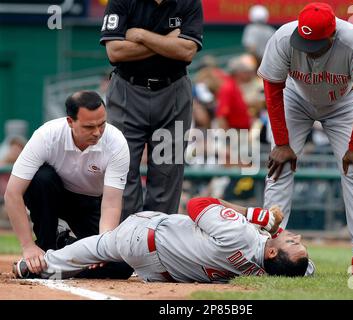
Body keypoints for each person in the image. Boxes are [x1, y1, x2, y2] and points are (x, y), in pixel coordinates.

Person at [258, 3, 353, 253]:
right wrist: (282, 143)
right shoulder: (283, 37)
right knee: (279, 165)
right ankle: (269, 246)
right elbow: (273, 89)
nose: (309, 50)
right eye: (305, 42)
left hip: (342, 103)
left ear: (332, 34)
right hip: (296, 99)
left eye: (316, 43)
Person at [13, 197, 312, 282]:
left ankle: (38, 265)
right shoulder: (267, 273)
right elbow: (303, 269)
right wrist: (280, 241)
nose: (295, 237)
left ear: (273, 253)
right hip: (157, 272)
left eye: (293, 243)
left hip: (144, 237)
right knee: (99, 251)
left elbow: (198, 204)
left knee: (97, 245)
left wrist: (258, 217)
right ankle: (47, 266)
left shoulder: (242, 233)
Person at [4, 91, 133, 278]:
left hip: (91, 203)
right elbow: (12, 193)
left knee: (121, 266)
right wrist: (28, 246)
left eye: (102, 124)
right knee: (41, 178)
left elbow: (112, 203)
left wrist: (101, 247)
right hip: (53, 196)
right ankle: (44, 247)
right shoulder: (46, 136)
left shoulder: (117, 142)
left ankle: (54, 255)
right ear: (70, 122)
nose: (97, 132)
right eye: (89, 127)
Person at [100, 0, 204, 220]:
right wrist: (167, 43)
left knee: (167, 173)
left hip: (172, 91)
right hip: (128, 89)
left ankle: (157, 244)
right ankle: (123, 243)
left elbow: (186, 51)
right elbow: (115, 52)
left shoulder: (189, 2)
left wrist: (141, 35)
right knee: (122, 168)